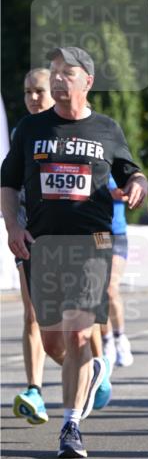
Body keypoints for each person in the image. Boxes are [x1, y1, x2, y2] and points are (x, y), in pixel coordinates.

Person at [1, 46, 148, 459]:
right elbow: (8, 183)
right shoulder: (30, 129)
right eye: (55, 71)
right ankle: (89, 370)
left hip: (93, 244)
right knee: (53, 343)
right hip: (42, 245)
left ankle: (70, 426)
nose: (59, 78)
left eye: (68, 72)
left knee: (80, 331)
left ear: (88, 81)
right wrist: (13, 225)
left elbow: (131, 171)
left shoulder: (106, 129)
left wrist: (138, 185)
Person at [12, 68, 54, 424]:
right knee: (32, 314)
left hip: (73, 237)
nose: (33, 98)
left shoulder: (70, 129)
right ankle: (35, 390)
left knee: (76, 320)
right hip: (29, 233)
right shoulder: (21, 132)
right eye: (27, 92)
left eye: (39, 91)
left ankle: (93, 367)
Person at [101, 175, 134, 368]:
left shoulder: (117, 167)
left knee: (110, 288)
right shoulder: (89, 162)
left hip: (117, 233)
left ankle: (120, 337)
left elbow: (129, 192)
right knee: (98, 290)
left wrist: (122, 193)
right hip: (97, 233)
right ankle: (107, 341)